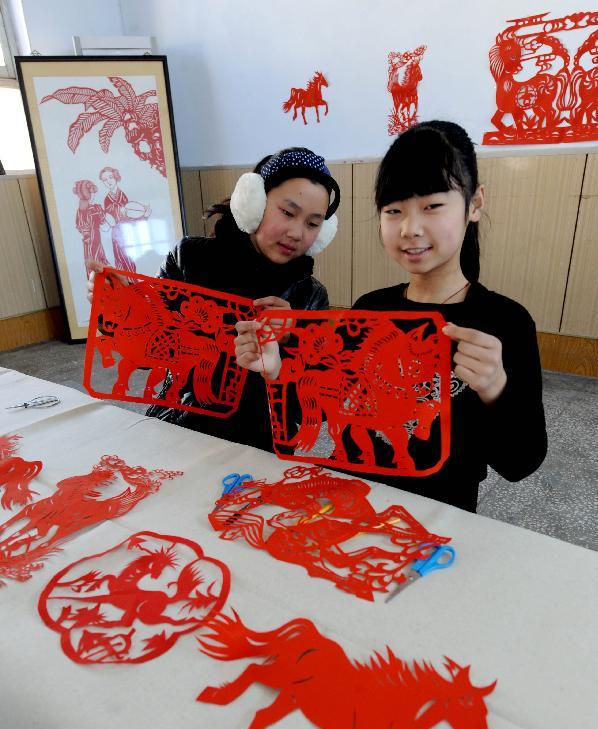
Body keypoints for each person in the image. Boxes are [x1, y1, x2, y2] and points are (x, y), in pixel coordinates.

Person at [235, 121, 547, 512]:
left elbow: (520, 463)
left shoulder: (504, 321)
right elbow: (321, 411)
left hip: (437, 521)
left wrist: (495, 388)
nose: (410, 228)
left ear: (474, 204)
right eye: (394, 210)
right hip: (352, 504)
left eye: (432, 206)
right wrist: (277, 369)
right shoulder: (370, 309)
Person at [87, 147, 340, 452]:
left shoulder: (310, 295)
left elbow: (313, 409)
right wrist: (120, 307)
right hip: (180, 425)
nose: (297, 233)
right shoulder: (190, 259)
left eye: (313, 224)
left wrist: (292, 340)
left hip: (262, 445)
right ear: (253, 202)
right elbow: (146, 356)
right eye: (287, 212)